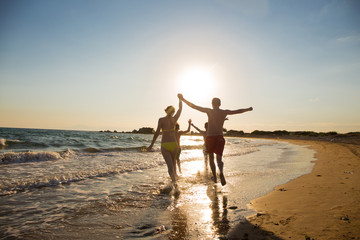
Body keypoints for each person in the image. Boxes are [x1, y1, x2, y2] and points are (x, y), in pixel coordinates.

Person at [178, 94, 253, 186]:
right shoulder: (224, 112)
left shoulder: (208, 111)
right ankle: (221, 171)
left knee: (211, 158)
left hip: (210, 137)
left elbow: (194, 106)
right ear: (220, 104)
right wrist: (248, 109)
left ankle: (214, 176)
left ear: (212, 104)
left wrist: (183, 99)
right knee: (219, 159)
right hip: (219, 137)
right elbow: (237, 111)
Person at [147, 95, 182, 188]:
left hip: (165, 145)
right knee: (173, 164)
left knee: (170, 166)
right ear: (173, 112)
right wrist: (180, 100)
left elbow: (157, 132)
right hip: (174, 145)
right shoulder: (174, 119)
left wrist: (151, 145)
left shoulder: (161, 120)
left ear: (166, 111)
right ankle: (175, 182)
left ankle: (174, 184)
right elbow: (180, 109)